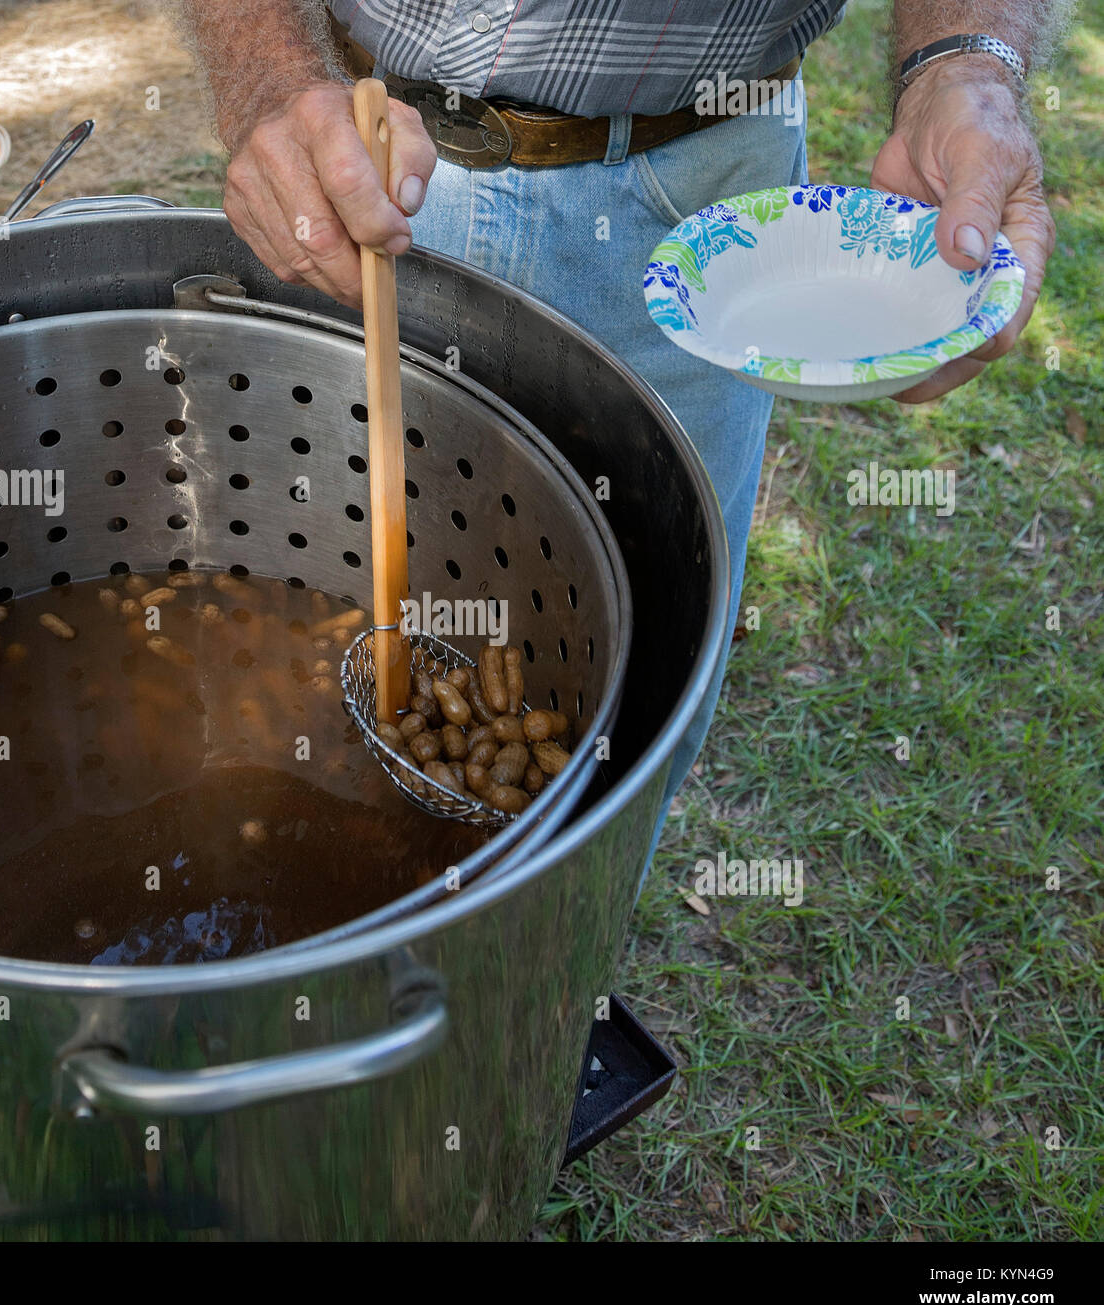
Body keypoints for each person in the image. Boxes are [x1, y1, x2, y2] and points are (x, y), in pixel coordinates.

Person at [181, 0, 1057, 880]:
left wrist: (966, 62)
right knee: (279, 679)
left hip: (706, 229)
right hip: (367, 157)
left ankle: (557, 986)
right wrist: (267, 79)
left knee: (634, 732)